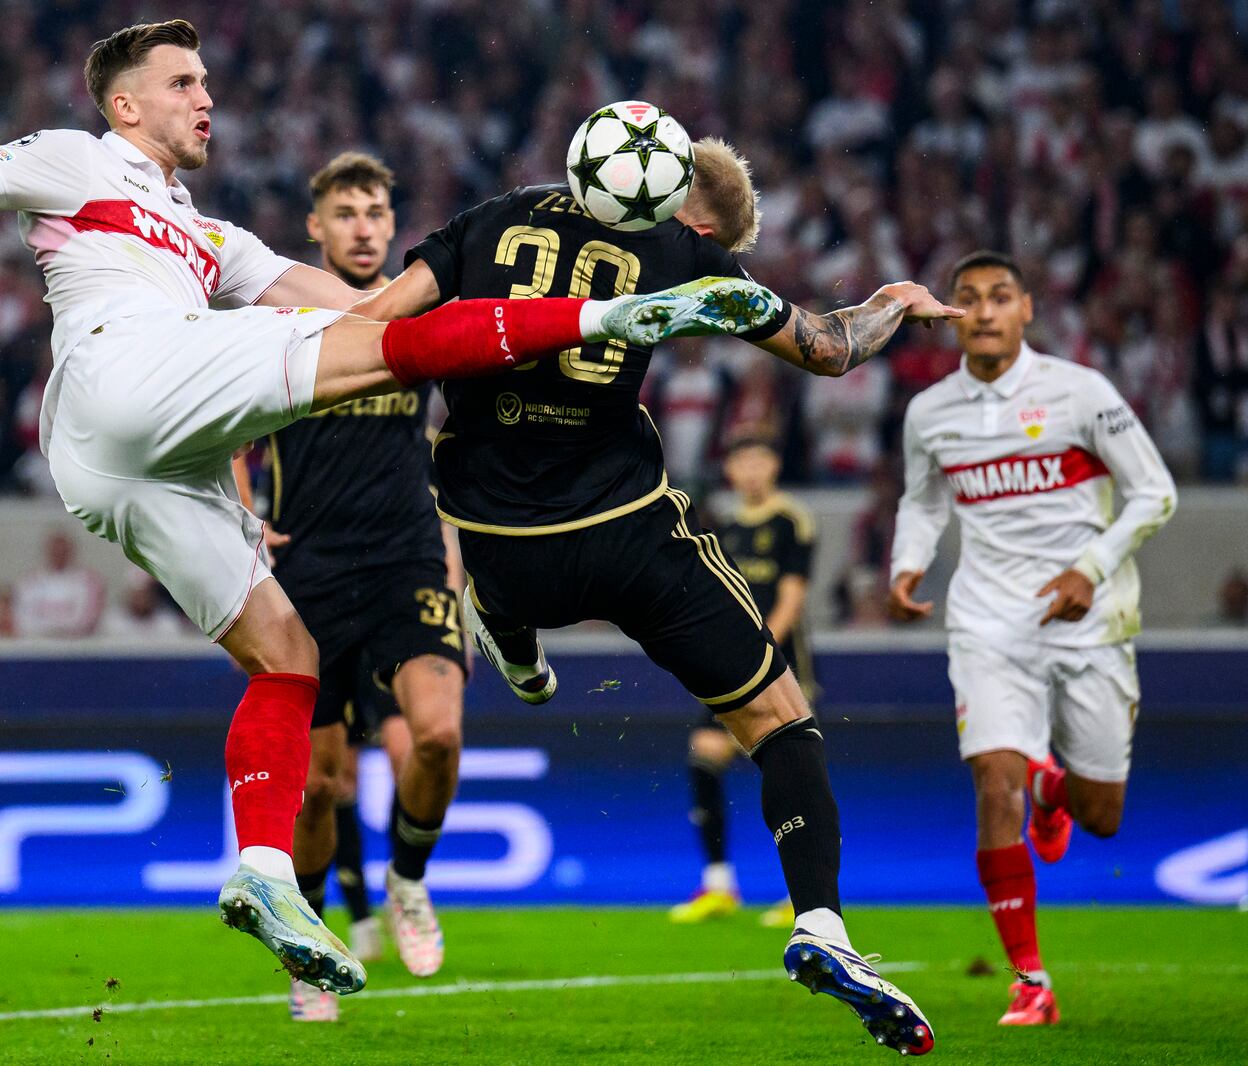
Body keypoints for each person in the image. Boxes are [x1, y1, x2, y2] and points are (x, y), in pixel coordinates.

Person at [0, 20, 780, 995]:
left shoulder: (210, 240)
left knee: (285, 653)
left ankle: (262, 871)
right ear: (126, 105)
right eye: (183, 82)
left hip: (127, 464)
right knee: (391, 364)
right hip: (125, 372)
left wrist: (455, 300)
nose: (205, 96)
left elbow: (366, 309)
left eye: (206, 80)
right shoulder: (76, 161)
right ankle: (631, 312)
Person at [356, 136, 961, 1055]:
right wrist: (891, 302)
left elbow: (379, 325)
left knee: (502, 560)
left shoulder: (492, 219)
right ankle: (822, 925)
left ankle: (509, 632)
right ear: (691, 213)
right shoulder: (686, 257)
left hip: (498, 536)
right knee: (779, 719)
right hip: (628, 534)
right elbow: (833, 349)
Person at [889, 250, 1177, 1027]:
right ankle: (1031, 980)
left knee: (1102, 815)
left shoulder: (1080, 394)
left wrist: (1090, 566)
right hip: (986, 618)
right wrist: (909, 563)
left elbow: (1156, 491)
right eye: (969, 299)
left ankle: (1056, 792)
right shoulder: (930, 412)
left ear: (1026, 313)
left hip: (1090, 618)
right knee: (992, 783)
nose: (983, 311)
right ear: (951, 315)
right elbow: (922, 502)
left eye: (1000, 298)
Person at [234, 152, 467, 1021]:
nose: (364, 227)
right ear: (317, 229)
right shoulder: (281, 317)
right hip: (313, 570)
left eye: (376, 211)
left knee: (437, 736)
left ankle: (407, 880)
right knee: (323, 784)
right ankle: (310, 945)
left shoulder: (416, 308)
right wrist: (244, 512)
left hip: (408, 557)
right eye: (347, 214)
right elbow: (229, 429)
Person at [669, 435, 814, 930]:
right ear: (729, 469)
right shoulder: (724, 529)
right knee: (703, 759)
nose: (750, 470)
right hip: (730, 667)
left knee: (788, 772)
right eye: (741, 460)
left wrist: (764, 647)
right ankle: (718, 882)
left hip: (779, 666)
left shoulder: (791, 520)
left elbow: (792, 596)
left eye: (760, 459)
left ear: (774, 465)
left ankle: (805, 895)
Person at [13, 529, 106, 638]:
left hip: (76, 646)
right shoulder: (28, 582)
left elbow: (87, 621)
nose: (59, 554)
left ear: (71, 551)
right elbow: (23, 619)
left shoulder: (89, 581)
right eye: (55, 550)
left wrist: (59, 630)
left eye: (63, 550)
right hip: (37, 645)